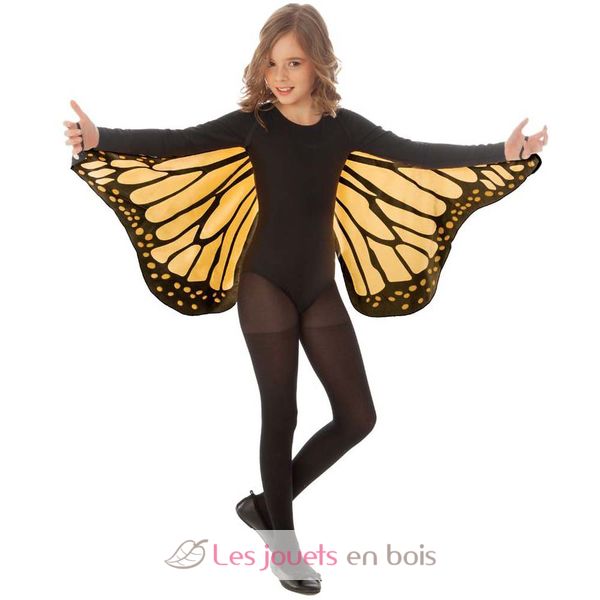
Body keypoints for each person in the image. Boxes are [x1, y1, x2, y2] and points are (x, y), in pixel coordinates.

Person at [64, 3, 548, 595]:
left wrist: (501, 152)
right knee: (283, 413)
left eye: (293, 63)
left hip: (320, 287)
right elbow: (175, 143)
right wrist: (100, 138)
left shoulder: (344, 128)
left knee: (358, 417)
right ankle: (284, 545)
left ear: (318, 62)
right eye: (272, 64)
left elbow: (417, 153)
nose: (280, 76)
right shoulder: (255, 125)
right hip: (264, 284)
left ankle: (266, 507)